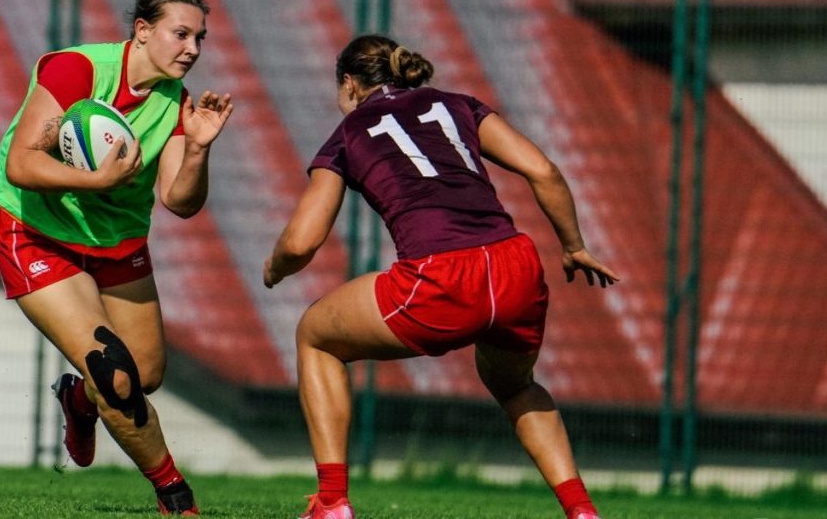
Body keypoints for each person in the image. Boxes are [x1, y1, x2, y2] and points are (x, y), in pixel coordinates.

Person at [263, 34, 619, 519]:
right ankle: (581, 511)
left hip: (441, 274)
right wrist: (574, 246)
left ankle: (331, 502)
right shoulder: (458, 105)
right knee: (516, 386)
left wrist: (274, 268)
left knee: (315, 337)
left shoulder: (348, 134)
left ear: (348, 84)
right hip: (515, 264)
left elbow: (302, 241)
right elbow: (544, 171)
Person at [0, 0, 233, 516]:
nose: (192, 49)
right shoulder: (77, 69)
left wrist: (196, 149)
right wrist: (97, 182)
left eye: (200, 38)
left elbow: (180, 201)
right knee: (114, 372)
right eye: (181, 34)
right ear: (142, 31)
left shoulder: (177, 102)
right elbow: (21, 163)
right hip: (38, 234)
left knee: (145, 376)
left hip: (116, 245)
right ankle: (177, 498)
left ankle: (78, 399)